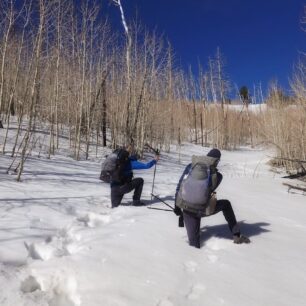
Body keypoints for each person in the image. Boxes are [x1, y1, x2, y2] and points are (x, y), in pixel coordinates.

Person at [174, 148, 250, 248]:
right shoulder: (217, 175)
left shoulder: (191, 166)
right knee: (226, 204)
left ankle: (193, 248)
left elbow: (180, 186)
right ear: (217, 161)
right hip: (202, 210)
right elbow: (208, 192)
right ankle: (236, 235)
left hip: (186, 209)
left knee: (193, 246)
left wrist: (177, 206)